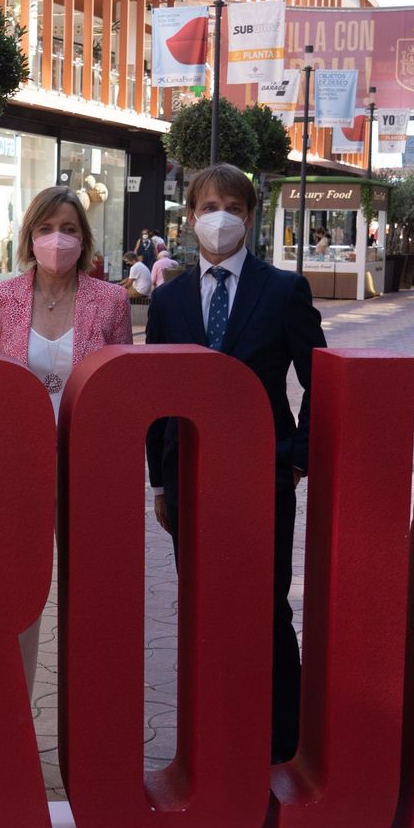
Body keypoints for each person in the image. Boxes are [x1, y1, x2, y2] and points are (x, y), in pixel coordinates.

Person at [145, 163, 326, 765]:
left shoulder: (283, 290)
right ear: (190, 216)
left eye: (231, 206)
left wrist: (296, 458)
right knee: (201, 603)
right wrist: (160, 482)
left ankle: (282, 739)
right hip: (190, 478)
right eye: (206, 206)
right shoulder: (168, 300)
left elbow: (319, 377)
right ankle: (214, 726)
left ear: (249, 217)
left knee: (268, 606)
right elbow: (157, 398)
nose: (217, 216)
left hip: (264, 473)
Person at [0, 185, 133, 693]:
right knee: (18, 591)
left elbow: (121, 389)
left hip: (86, 468)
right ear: (28, 237)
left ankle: (91, 702)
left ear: (84, 239)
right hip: (17, 467)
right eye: (45, 229)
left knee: (89, 590)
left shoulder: (111, 301)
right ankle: (12, 702)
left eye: (67, 229)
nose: (56, 239)